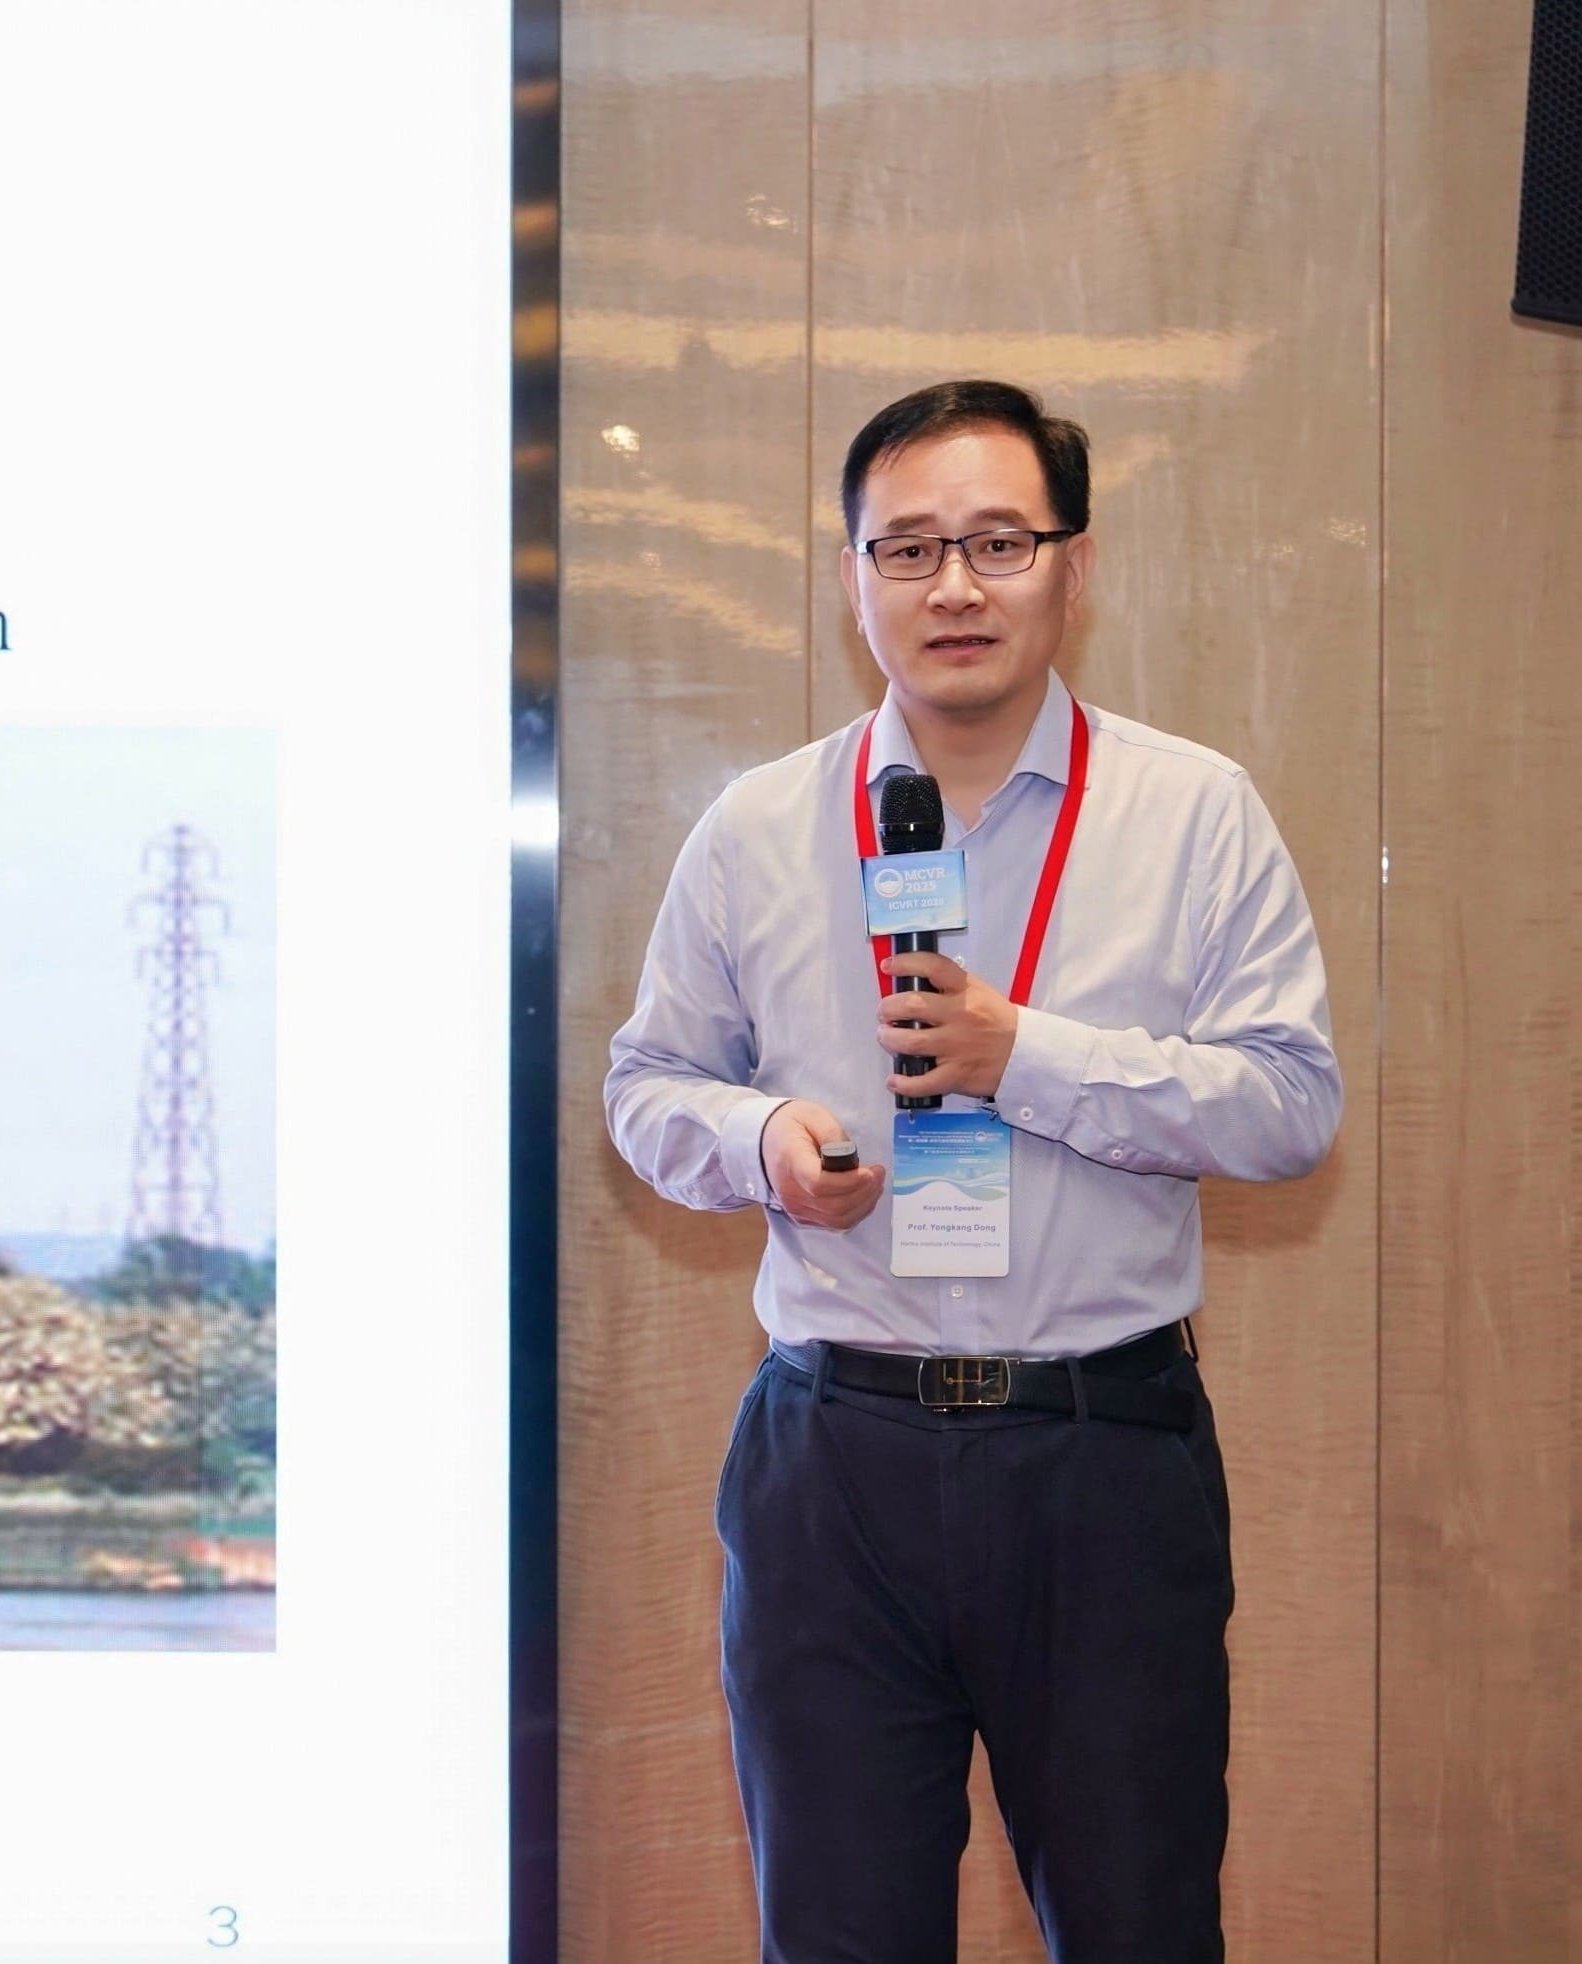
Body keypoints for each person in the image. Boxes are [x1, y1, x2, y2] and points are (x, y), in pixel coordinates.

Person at [602, 379, 1342, 1962]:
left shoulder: (1194, 814)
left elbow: (1290, 1106)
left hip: (1102, 1458)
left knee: (1140, 1930)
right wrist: (760, 1144)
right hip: (836, 1462)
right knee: (839, 1937)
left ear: (1076, 567)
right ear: (853, 577)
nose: (953, 585)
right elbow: (647, 1086)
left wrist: (1027, 1058)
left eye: (1000, 542)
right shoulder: (755, 826)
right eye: (909, 548)